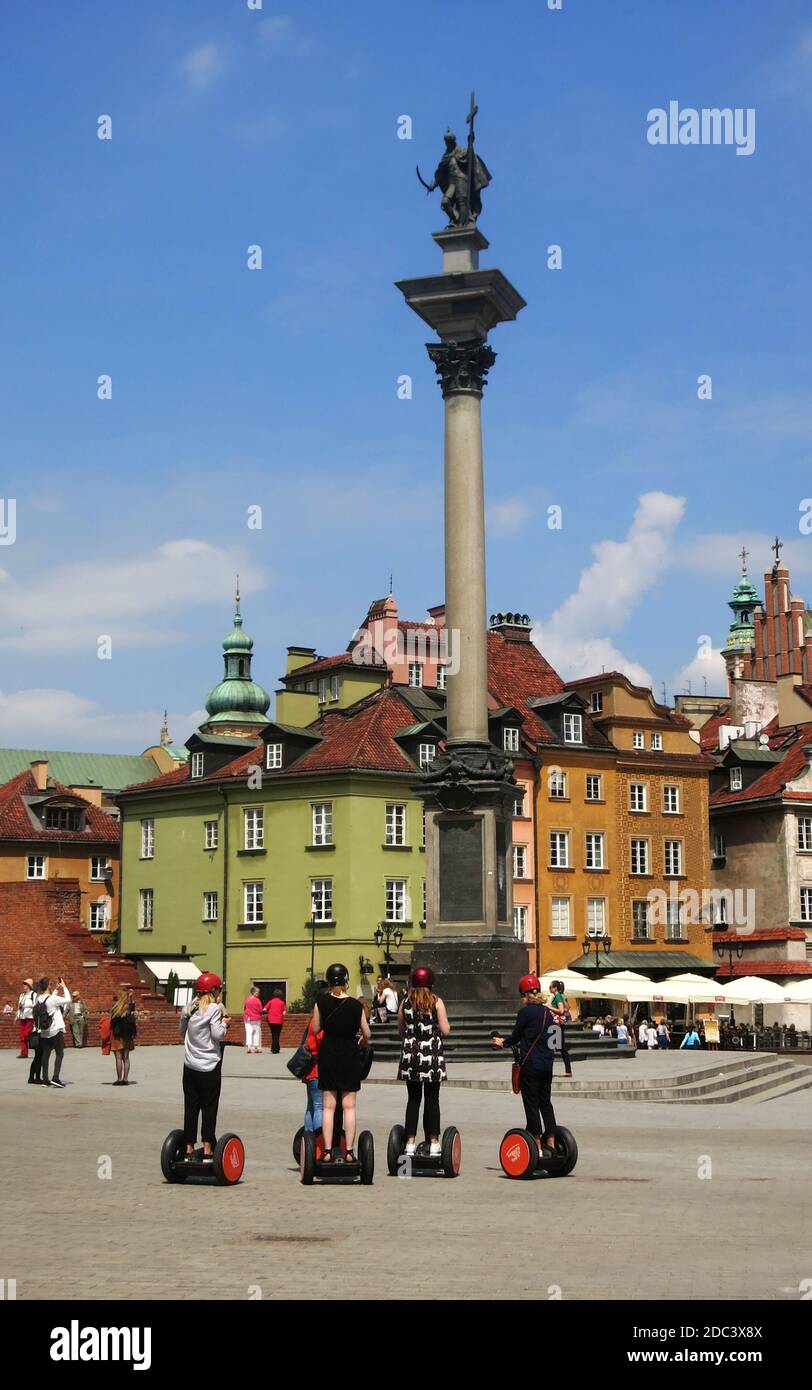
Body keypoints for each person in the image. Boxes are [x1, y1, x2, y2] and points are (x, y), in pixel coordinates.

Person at [492, 974, 558, 1154]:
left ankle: (536, 1147)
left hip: (530, 1065)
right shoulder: (548, 1013)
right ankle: (551, 1144)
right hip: (547, 1065)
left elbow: (516, 1036)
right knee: (546, 1103)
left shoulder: (525, 1012)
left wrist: (502, 1043)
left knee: (531, 1104)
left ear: (524, 994)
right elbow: (555, 1041)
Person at [312, 963, 371, 1164]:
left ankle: (327, 1151)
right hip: (349, 1054)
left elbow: (314, 1029)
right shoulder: (356, 1005)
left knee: (329, 1106)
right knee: (349, 1107)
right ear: (346, 980)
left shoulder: (321, 1001)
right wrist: (360, 1040)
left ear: (329, 981)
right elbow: (367, 1033)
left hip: (328, 1053)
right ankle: (349, 1151)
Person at [396, 966, 450, 1156]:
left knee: (413, 1099)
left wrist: (412, 1035)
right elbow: (445, 1030)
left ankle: (409, 1142)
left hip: (410, 1055)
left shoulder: (405, 1003)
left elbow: (401, 1030)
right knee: (432, 1100)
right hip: (432, 1056)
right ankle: (434, 1141)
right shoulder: (437, 1002)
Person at [179, 972, 230, 1161]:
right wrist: (224, 1024)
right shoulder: (214, 1009)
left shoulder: (188, 1008)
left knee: (191, 1107)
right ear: (214, 990)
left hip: (190, 1065)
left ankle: (189, 1147)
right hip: (209, 1065)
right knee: (209, 1107)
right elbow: (217, 1035)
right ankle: (208, 1147)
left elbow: (182, 1033)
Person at [39, 976, 71, 1088]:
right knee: (59, 1053)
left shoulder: (39, 998)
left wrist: (57, 989)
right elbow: (68, 999)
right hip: (55, 1029)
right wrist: (64, 987)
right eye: (50, 985)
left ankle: (45, 1079)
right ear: (48, 986)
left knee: (46, 1054)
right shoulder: (52, 999)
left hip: (44, 1030)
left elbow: (50, 999)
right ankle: (56, 1078)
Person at [110, 988, 137, 1084]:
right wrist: (130, 997)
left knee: (118, 1057)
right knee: (126, 1057)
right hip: (127, 1035)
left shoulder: (115, 1008)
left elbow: (112, 1022)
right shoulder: (128, 1007)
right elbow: (132, 1005)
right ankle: (125, 1079)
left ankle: (119, 1079)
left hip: (117, 1035)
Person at [549, 981, 574, 1077]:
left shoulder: (558, 996)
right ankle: (568, 1070)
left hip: (556, 1025)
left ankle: (549, 1071)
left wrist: (549, 1007)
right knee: (561, 1048)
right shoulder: (559, 996)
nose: (549, 988)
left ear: (555, 988)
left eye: (550, 987)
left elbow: (561, 1010)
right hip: (557, 1025)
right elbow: (567, 1007)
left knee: (551, 1047)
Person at [17, 978, 37, 1058]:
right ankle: (24, 1053)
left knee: (26, 1034)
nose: (23, 986)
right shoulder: (21, 995)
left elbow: (36, 1004)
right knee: (22, 1035)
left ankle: (36, 1047)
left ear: (29, 985)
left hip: (30, 1017)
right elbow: (19, 1007)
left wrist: (28, 1006)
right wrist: (17, 1016)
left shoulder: (33, 994)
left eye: (25, 984)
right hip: (22, 1017)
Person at [243, 985, 263, 1054]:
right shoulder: (258, 1001)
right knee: (256, 1032)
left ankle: (249, 1047)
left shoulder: (247, 999)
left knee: (248, 1032)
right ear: (253, 992)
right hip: (256, 1018)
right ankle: (256, 1047)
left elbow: (245, 1008)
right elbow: (260, 1010)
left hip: (247, 1018)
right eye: (257, 992)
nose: (258, 993)